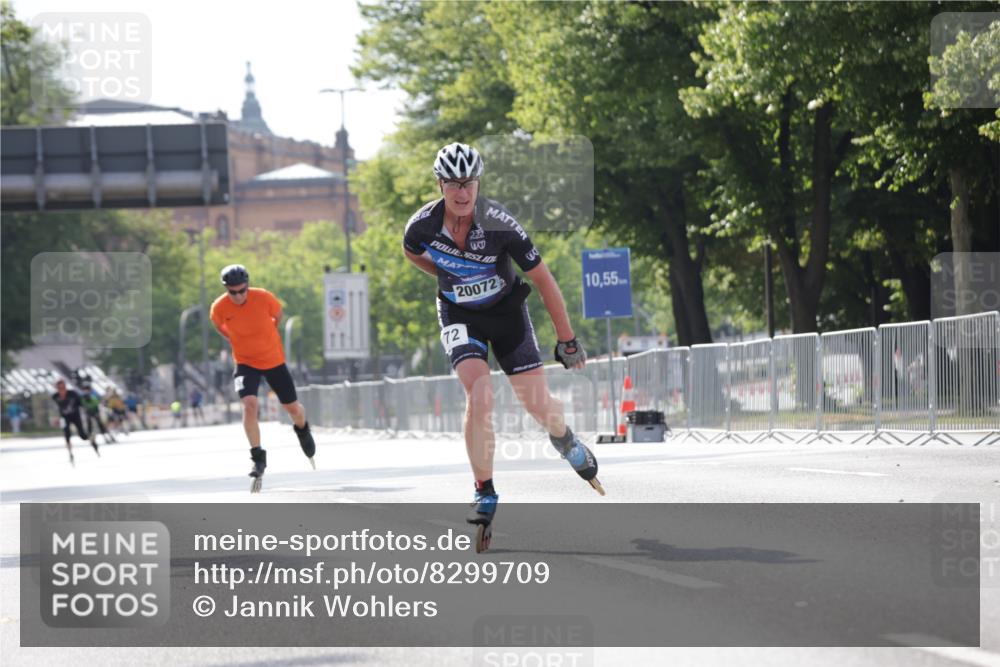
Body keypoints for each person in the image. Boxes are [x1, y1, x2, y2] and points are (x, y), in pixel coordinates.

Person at [402, 142, 602, 550]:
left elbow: (544, 281)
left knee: (538, 406)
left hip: (507, 313)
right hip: (460, 315)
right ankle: (484, 490)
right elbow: (412, 254)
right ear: (439, 184)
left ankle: (564, 439)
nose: (462, 193)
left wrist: (567, 340)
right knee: (479, 393)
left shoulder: (500, 224)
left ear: (479, 182)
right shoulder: (421, 226)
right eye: (454, 184)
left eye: (469, 183)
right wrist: (446, 275)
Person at [210, 263, 317, 492]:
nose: (238, 296)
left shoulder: (264, 298)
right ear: (226, 289)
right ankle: (258, 456)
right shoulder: (219, 307)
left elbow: (278, 316)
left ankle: (303, 429)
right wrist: (235, 339)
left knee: (293, 409)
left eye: (242, 290)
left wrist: (267, 335)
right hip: (245, 362)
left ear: (247, 286)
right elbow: (219, 325)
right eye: (233, 292)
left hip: (273, 360)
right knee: (249, 405)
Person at [51, 379, 99, 465]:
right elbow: (55, 408)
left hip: (75, 416)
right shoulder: (55, 396)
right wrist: (55, 418)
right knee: (67, 434)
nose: (61, 389)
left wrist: (87, 409)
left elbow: (81, 403)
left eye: (63, 387)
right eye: (59, 388)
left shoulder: (72, 394)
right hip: (65, 417)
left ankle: (92, 440)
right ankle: (70, 453)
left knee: (82, 435)